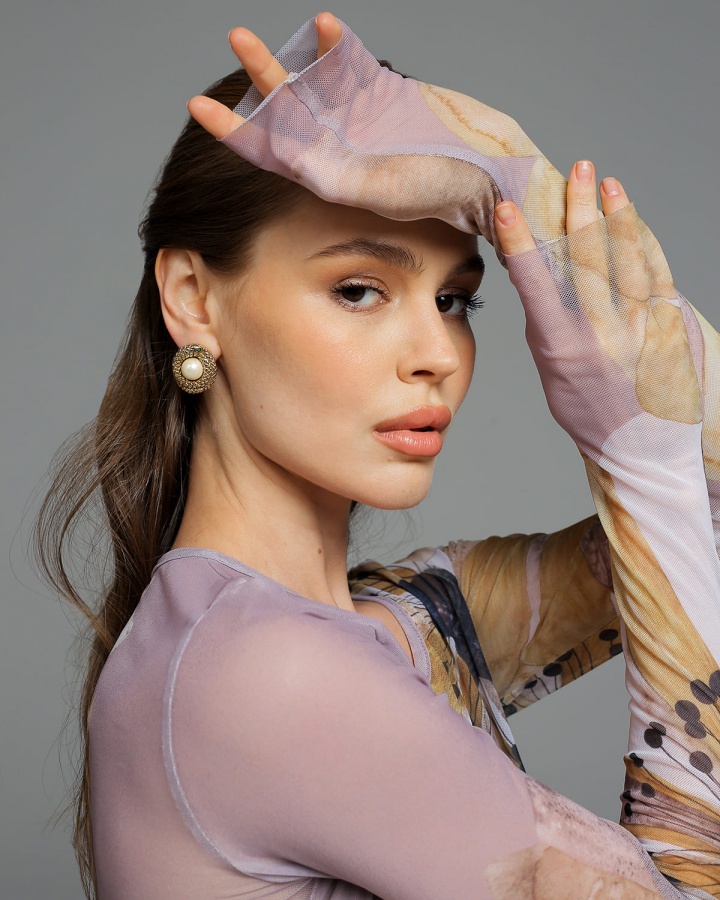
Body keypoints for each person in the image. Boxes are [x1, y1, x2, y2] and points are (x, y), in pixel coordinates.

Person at [35, 11, 720, 899]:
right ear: (194, 299)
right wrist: (638, 456)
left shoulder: (372, 624)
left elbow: (700, 524)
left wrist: (506, 168)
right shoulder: (269, 680)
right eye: (359, 290)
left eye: (454, 300)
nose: (437, 353)